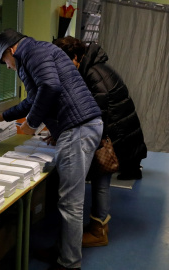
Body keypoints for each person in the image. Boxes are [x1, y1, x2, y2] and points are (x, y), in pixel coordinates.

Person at [0, 29, 103, 270]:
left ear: (11, 50)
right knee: (70, 200)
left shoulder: (32, 53)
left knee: (71, 202)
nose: (8, 67)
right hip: (81, 125)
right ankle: (63, 251)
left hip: (77, 127)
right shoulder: (37, 51)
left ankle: (69, 264)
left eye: (5, 62)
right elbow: (35, 97)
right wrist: (4, 116)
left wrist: (31, 124)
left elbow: (50, 87)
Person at [53, 36, 148, 247]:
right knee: (100, 180)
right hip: (116, 129)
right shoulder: (93, 67)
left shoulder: (93, 73)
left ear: (75, 57)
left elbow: (98, 111)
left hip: (114, 133)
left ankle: (98, 231)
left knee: (101, 179)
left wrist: (90, 140)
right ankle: (98, 225)